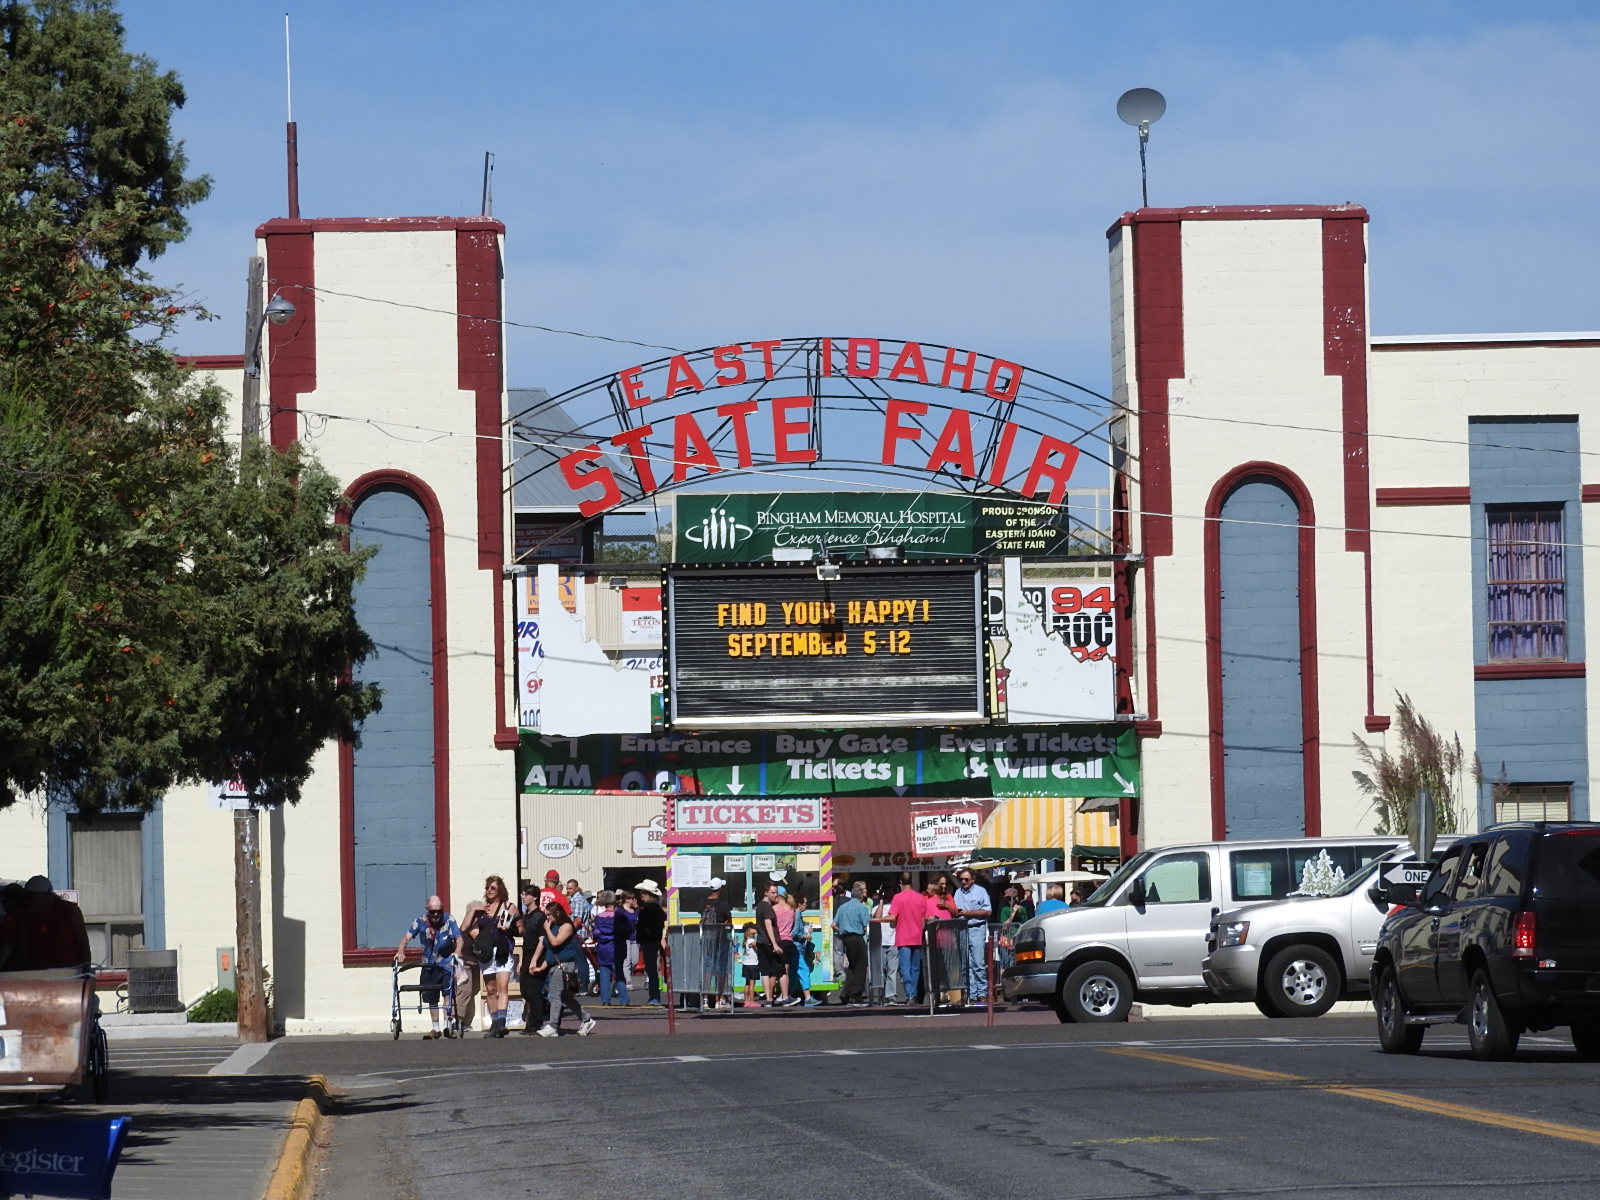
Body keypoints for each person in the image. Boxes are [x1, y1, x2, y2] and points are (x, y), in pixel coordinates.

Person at [393, 894, 461, 1039]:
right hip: (428, 964)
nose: (436, 914)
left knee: (447, 994)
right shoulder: (420, 922)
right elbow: (406, 938)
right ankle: (435, 1028)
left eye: (438, 911)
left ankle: (448, 1025)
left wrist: (457, 953)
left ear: (442, 909)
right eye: (432, 912)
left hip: (446, 964)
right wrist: (400, 951)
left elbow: (459, 939)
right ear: (427, 910)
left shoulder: (449, 920)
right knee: (431, 997)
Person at [461, 874, 518, 1037]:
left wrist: (509, 929)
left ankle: (501, 1022)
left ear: (500, 889)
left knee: (502, 987)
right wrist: (474, 910)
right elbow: (464, 927)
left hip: (503, 951)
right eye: (487, 888)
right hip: (486, 953)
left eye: (492, 887)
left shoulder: (509, 906)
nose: (489, 890)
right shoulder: (483, 908)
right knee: (491, 989)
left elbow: (521, 928)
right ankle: (494, 1024)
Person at [531, 900, 596, 1038]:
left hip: (564, 965)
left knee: (555, 995)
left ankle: (552, 1025)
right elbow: (548, 948)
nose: (547, 918)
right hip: (555, 965)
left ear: (557, 913)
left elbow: (555, 943)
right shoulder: (552, 927)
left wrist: (547, 929)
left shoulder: (566, 926)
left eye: (549, 915)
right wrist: (539, 965)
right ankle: (586, 1019)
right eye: (546, 915)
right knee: (564, 997)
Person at [0, 875, 91, 972]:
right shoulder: (24, 915)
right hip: (38, 973)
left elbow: (83, 942)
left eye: (32, 896)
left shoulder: (69, 911)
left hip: (70, 971)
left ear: (46, 896)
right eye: (27, 897)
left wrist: (86, 968)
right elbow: (23, 948)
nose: (30, 901)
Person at [951, 869, 993, 1003]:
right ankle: (972, 993)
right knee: (966, 963)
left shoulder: (981, 891)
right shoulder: (957, 893)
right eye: (961, 879)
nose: (963, 882)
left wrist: (969, 912)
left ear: (973, 879)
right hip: (962, 929)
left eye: (966, 879)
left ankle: (982, 992)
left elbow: (987, 911)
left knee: (978, 962)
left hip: (976, 928)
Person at [515, 881, 550, 1034]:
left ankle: (535, 1023)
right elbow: (524, 940)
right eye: (523, 894)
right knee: (525, 989)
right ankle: (536, 1016)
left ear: (534, 897)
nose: (523, 897)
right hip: (527, 955)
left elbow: (542, 940)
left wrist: (535, 960)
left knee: (533, 990)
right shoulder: (526, 916)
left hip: (537, 956)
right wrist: (522, 960)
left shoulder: (540, 917)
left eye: (526, 894)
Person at [889, 873, 928, 1005]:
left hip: (903, 936)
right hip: (917, 935)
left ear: (900, 882)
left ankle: (910, 994)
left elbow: (893, 918)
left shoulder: (897, 898)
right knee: (915, 967)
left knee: (905, 967)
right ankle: (914, 994)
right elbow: (924, 920)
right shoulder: (920, 898)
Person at [832, 880, 870, 1006]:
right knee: (861, 966)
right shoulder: (862, 907)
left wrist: (842, 931)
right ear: (860, 896)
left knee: (852, 966)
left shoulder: (842, 907)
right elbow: (866, 926)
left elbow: (833, 924)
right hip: (857, 937)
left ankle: (846, 992)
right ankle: (856, 993)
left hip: (846, 938)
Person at [754, 880, 792, 1005]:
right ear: (766, 892)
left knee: (765, 971)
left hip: (761, 942)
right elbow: (768, 924)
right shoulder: (768, 907)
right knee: (781, 969)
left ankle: (769, 999)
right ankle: (785, 998)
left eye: (776, 893)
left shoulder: (759, 906)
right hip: (770, 942)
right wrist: (774, 943)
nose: (775, 895)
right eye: (773, 893)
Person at [701, 876, 735, 1011]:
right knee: (721, 969)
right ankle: (720, 999)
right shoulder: (723, 904)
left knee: (707, 969)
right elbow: (729, 920)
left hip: (706, 940)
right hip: (720, 940)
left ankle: (705, 1000)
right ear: (720, 888)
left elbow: (701, 917)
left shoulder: (703, 902)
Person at [592, 891, 631, 1005]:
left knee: (604, 976)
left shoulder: (599, 917)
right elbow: (627, 931)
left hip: (603, 948)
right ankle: (624, 1000)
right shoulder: (620, 916)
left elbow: (596, 933)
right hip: (617, 947)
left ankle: (605, 1000)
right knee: (619, 974)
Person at [633, 879, 667, 1006]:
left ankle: (654, 996)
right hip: (652, 940)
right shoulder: (654, 908)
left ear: (649, 894)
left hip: (649, 941)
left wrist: (644, 931)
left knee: (651, 969)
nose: (641, 894)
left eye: (643, 892)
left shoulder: (649, 909)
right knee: (651, 969)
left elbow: (649, 926)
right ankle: (654, 996)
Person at [786, 893, 818, 1005]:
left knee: (793, 973)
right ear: (799, 904)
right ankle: (808, 998)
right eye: (805, 903)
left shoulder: (796, 915)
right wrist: (805, 936)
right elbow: (794, 932)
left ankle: (787, 996)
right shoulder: (797, 915)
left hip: (796, 947)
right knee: (804, 970)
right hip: (796, 947)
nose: (806, 905)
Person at [871, 883, 899, 1002]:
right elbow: (877, 918)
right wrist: (881, 901)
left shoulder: (895, 905)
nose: (887, 893)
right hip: (881, 941)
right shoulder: (876, 907)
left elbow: (894, 919)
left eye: (890, 890)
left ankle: (891, 995)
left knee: (892, 970)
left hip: (893, 941)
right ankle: (882, 994)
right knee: (881, 970)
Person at [739, 923, 761, 1008]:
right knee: (752, 984)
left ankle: (746, 1001)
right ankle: (752, 1001)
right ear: (749, 931)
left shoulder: (746, 940)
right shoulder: (751, 941)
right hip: (753, 965)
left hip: (746, 964)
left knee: (747, 983)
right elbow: (758, 944)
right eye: (753, 928)